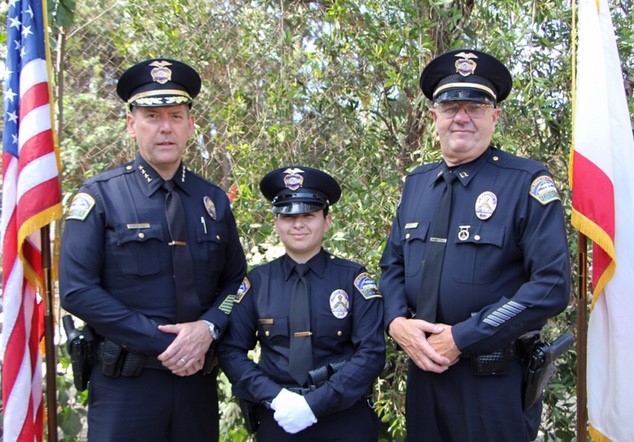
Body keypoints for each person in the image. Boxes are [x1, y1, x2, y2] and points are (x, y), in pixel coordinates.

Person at [379, 49, 571, 441]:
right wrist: (396, 323)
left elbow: (551, 285)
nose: (461, 117)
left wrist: (462, 338)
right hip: (424, 378)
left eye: (476, 106)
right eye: (451, 106)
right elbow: (392, 266)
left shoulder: (526, 183)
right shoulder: (417, 184)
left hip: (492, 384)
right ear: (435, 116)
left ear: (494, 117)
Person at [59, 58, 247, 441]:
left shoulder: (211, 201)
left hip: (196, 383)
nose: (165, 128)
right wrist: (167, 343)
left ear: (190, 125)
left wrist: (208, 328)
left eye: (176, 116)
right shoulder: (99, 196)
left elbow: (237, 284)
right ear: (131, 125)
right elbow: (77, 290)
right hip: (126, 388)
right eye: (151, 116)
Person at [218, 166, 385, 441]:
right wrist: (276, 397)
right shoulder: (257, 283)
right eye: (288, 215)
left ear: (327, 222)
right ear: (276, 223)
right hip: (279, 417)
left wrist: (314, 405)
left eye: (309, 215)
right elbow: (231, 351)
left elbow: (372, 352)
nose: (298, 224)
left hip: (343, 419)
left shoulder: (353, 279)